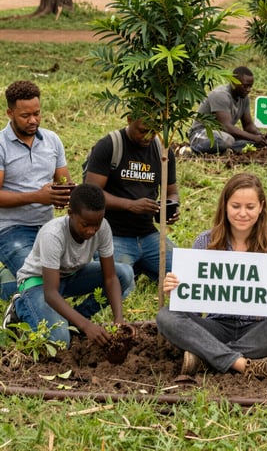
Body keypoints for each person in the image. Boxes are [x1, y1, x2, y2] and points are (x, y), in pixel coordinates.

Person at [156, 173, 267, 380]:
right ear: (225, 206)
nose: (242, 213)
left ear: (261, 207)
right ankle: (243, 364)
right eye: (236, 206)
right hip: (216, 326)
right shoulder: (204, 241)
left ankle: (207, 358)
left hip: (258, 329)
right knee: (167, 316)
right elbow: (194, 309)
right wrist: (178, 291)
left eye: (250, 207)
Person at [4, 184, 134, 348]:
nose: (91, 231)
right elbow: (51, 293)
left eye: (97, 224)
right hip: (39, 283)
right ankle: (20, 306)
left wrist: (119, 321)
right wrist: (86, 326)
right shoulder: (53, 235)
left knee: (125, 273)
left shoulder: (103, 228)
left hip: (70, 276)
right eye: (85, 225)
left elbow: (111, 277)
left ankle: (75, 319)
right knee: (60, 342)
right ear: (70, 214)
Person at [0, 80, 73, 300]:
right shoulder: (1, 144)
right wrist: (37, 196)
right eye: (25, 116)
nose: (33, 120)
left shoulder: (52, 141)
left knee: (78, 268)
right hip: (11, 230)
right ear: (10, 113)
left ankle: (9, 284)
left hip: (48, 227)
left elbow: (64, 181)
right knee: (40, 279)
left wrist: (64, 194)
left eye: (37, 113)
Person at [84, 117, 180, 282]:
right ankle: (133, 266)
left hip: (148, 235)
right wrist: (129, 205)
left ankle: (140, 263)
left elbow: (172, 192)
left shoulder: (162, 150)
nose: (148, 137)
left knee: (184, 274)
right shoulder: (110, 145)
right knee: (117, 280)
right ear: (129, 120)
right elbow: (91, 194)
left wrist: (170, 207)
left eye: (153, 131)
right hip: (113, 235)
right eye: (142, 131)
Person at [188, 66, 267, 154]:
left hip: (224, 135)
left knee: (254, 144)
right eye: (245, 86)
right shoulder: (220, 95)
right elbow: (226, 127)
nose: (248, 90)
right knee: (227, 140)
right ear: (233, 82)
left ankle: (224, 150)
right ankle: (190, 150)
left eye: (250, 87)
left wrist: (261, 136)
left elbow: (248, 125)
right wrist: (253, 137)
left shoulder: (244, 98)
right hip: (201, 133)